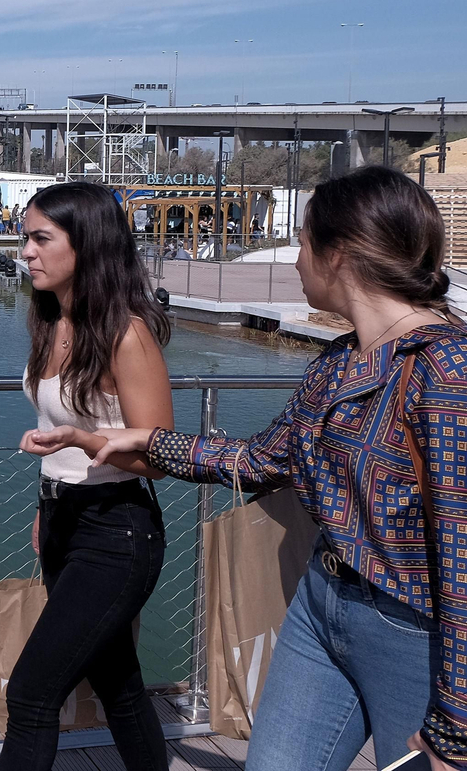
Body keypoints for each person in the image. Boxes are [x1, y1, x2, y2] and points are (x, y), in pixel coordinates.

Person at [55, 166, 467, 770]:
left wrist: (456, 727)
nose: (295, 260)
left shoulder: (447, 373)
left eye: (302, 243)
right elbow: (265, 459)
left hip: (410, 631)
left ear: (339, 256)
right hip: (320, 606)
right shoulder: (338, 362)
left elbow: (462, 556)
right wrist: (150, 442)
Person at [5, 181, 174, 771]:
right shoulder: (51, 321)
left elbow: (159, 454)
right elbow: (59, 437)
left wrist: (84, 440)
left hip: (117, 532)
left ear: (87, 246)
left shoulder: (126, 335)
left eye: (40, 238)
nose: (25, 250)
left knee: (30, 692)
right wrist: (45, 505)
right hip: (63, 519)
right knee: (119, 686)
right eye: (26, 236)